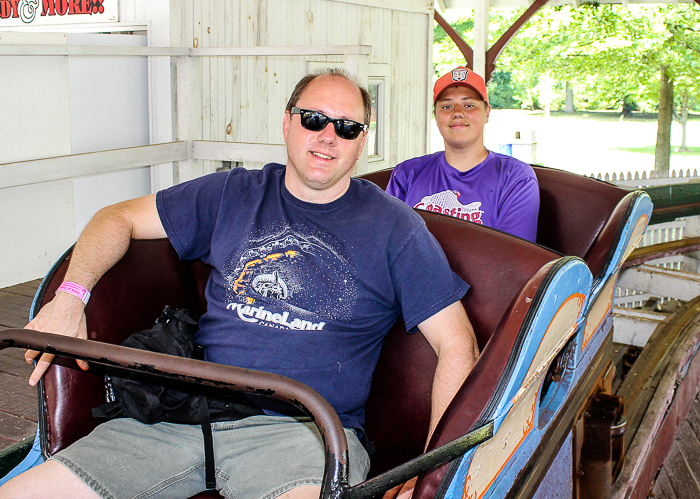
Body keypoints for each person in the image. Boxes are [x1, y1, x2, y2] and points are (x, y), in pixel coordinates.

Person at [0, 69, 479, 499]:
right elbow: (116, 218)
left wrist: (432, 469)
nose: (329, 136)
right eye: (314, 119)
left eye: (347, 127)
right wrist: (71, 294)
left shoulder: (395, 228)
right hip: (183, 415)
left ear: (361, 141)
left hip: (304, 434)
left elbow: (457, 343)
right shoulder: (232, 192)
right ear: (288, 122)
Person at [386, 66, 540, 242]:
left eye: (469, 105)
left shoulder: (516, 178)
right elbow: (387, 244)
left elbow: (512, 258)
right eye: (447, 106)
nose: (457, 112)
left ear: (487, 112)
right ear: (436, 115)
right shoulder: (406, 174)